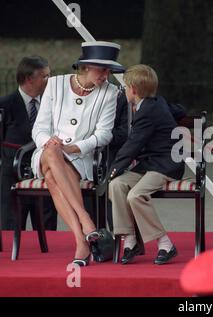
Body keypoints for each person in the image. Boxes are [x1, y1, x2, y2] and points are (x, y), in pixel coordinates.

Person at [31, 41, 123, 266]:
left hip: (80, 157)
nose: (106, 75)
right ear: (86, 67)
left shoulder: (111, 92)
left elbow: (104, 135)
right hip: (46, 152)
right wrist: (49, 140)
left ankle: (81, 242)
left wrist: (76, 147)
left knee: (53, 178)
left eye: (109, 71)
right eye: (102, 70)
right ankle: (85, 220)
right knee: (52, 151)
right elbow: (39, 128)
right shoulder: (54, 84)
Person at [108, 64, 185, 265]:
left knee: (136, 195)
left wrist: (114, 170)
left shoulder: (148, 111)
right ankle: (130, 239)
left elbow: (132, 145)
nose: (124, 90)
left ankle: (165, 244)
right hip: (149, 164)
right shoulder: (155, 103)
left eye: (125, 87)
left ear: (133, 89)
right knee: (116, 186)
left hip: (165, 164)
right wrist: (114, 178)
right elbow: (178, 109)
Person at [0, 56, 57, 231]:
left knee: (47, 228)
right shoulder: (5, 104)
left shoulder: (53, 104)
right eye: (45, 76)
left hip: (44, 171)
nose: (50, 80)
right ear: (29, 79)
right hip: (13, 174)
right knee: (12, 226)